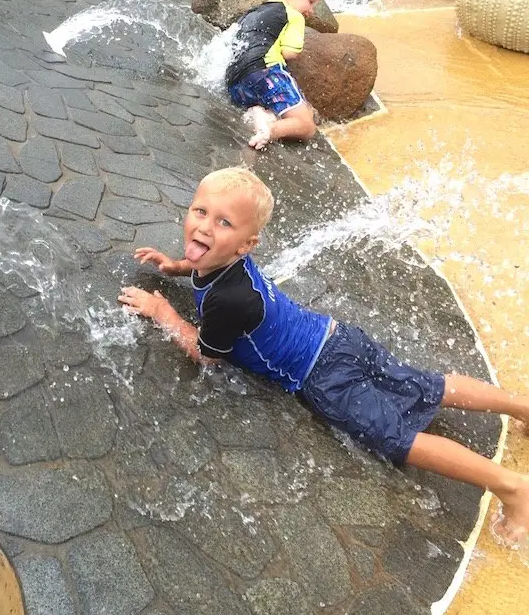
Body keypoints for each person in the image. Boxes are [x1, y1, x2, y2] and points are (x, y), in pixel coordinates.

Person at [118, 166, 529, 544]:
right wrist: (176, 267)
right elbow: (209, 264)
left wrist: (162, 311)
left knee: (397, 441)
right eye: (200, 211)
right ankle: (521, 406)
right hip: (337, 336)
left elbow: (205, 354)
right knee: (427, 384)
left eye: (223, 222)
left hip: (322, 376)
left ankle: (511, 487)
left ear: (247, 244)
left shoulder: (229, 301)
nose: (205, 227)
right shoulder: (228, 266)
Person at [225, 0, 321, 149]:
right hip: (266, 70)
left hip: (236, 83)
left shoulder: (251, 14)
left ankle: (258, 113)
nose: (311, 11)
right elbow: (290, 52)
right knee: (306, 126)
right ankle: (270, 130)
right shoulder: (293, 15)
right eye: (310, 1)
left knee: (272, 106)